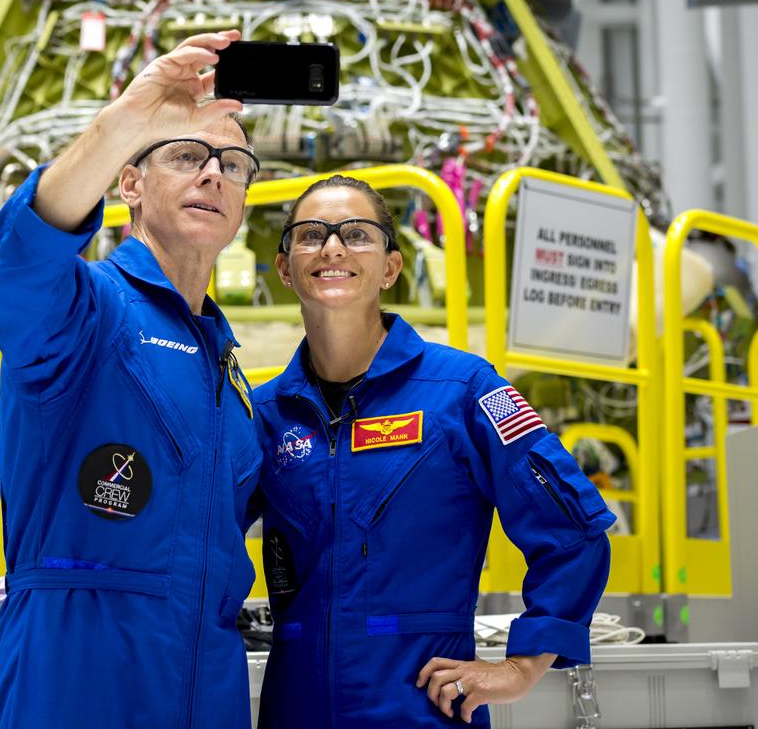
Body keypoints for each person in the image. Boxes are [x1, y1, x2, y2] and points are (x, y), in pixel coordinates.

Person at [0, 31, 263, 729]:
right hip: (74, 680)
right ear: (128, 182)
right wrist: (124, 121)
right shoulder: (86, 311)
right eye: (187, 155)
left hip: (204, 683)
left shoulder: (229, 367)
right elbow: (11, 271)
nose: (213, 174)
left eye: (232, 163)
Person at [252, 174, 615, 727]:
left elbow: (573, 531)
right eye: (309, 235)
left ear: (391, 268)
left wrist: (521, 667)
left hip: (422, 706)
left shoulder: (464, 390)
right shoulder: (264, 414)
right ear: (284, 267)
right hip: (295, 708)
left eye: (356, 234)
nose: (332, 246)